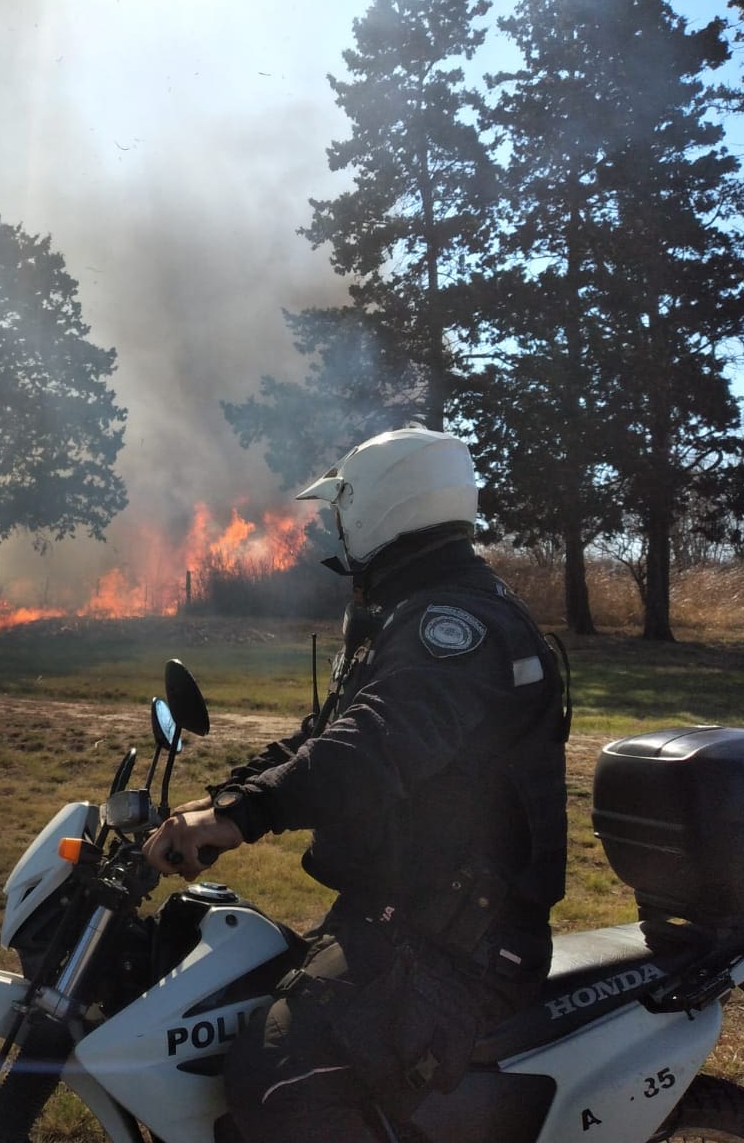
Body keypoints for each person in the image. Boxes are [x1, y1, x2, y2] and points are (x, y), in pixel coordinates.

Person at [143, 426, 568, 1141]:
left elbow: (375, 747)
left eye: (343, 508)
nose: (335, 525)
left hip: (467, 941)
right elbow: (327, 733)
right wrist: (223, 802)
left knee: (278, 1073)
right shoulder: (415, 608)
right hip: (405, 912)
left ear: (389, 507)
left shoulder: (454, 625)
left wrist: (248, 813)